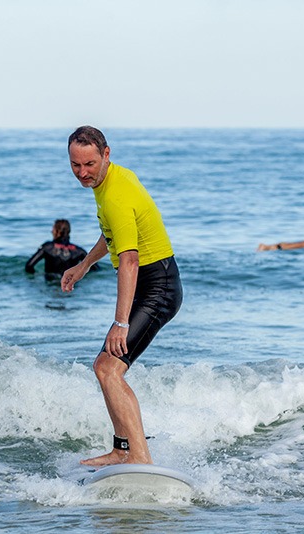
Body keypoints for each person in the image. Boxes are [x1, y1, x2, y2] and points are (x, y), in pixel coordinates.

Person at [61, 126, 183, 467]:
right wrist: (84, 264)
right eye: (75, 165)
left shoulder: (114, 194)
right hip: (153, 282)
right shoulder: (112, 180)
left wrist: (121, 322)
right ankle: (122, 449)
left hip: (157, 287)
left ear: (106, 154)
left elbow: (129, 259)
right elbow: (112, 232)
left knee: (109, 370)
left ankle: (139, 458)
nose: (83, 172)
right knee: (104, 368)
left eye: (89, 164)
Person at [25, 219, 96, 280]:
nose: (51, 231)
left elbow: (29, 265)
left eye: (53, 229)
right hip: (71, 286)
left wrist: (34, 277)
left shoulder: (47, 247)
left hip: (51, 285)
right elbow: (95, 268)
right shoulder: (79, 251)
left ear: (57, 232)